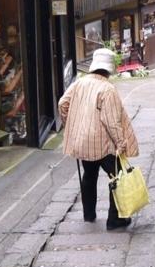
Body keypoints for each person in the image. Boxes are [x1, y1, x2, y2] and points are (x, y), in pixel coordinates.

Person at [58, 48, 140, 229]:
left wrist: (70, 124)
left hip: (83, 141)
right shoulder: (107, 89)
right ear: (109, 68)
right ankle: (115, 219)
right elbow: (111, 121)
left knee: (89, 175)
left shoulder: (79, 83)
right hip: (103, 143)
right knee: (117, 178)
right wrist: (121, 142)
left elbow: (63, 104)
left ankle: (89, 214)